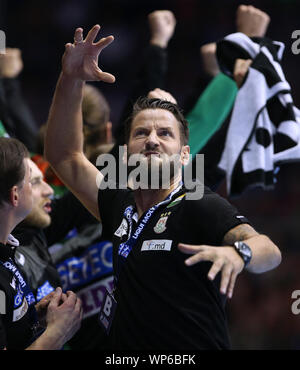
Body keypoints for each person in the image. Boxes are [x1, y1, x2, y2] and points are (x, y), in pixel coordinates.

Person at [44, 24, 282, 350]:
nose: (152, 140)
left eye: (165, 134)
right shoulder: (118, 203)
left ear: (185, 155)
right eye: (142, 133)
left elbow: (269, 250)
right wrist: (70, 78)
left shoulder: (198, 204)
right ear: (126, 151)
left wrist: (239, 253)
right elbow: (64, 155)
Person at [0, 137, 82, 350]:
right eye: (32, 180)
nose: (49, 190)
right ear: (15, 195)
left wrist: (32, 318)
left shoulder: (7, 249)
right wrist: (56, 333)